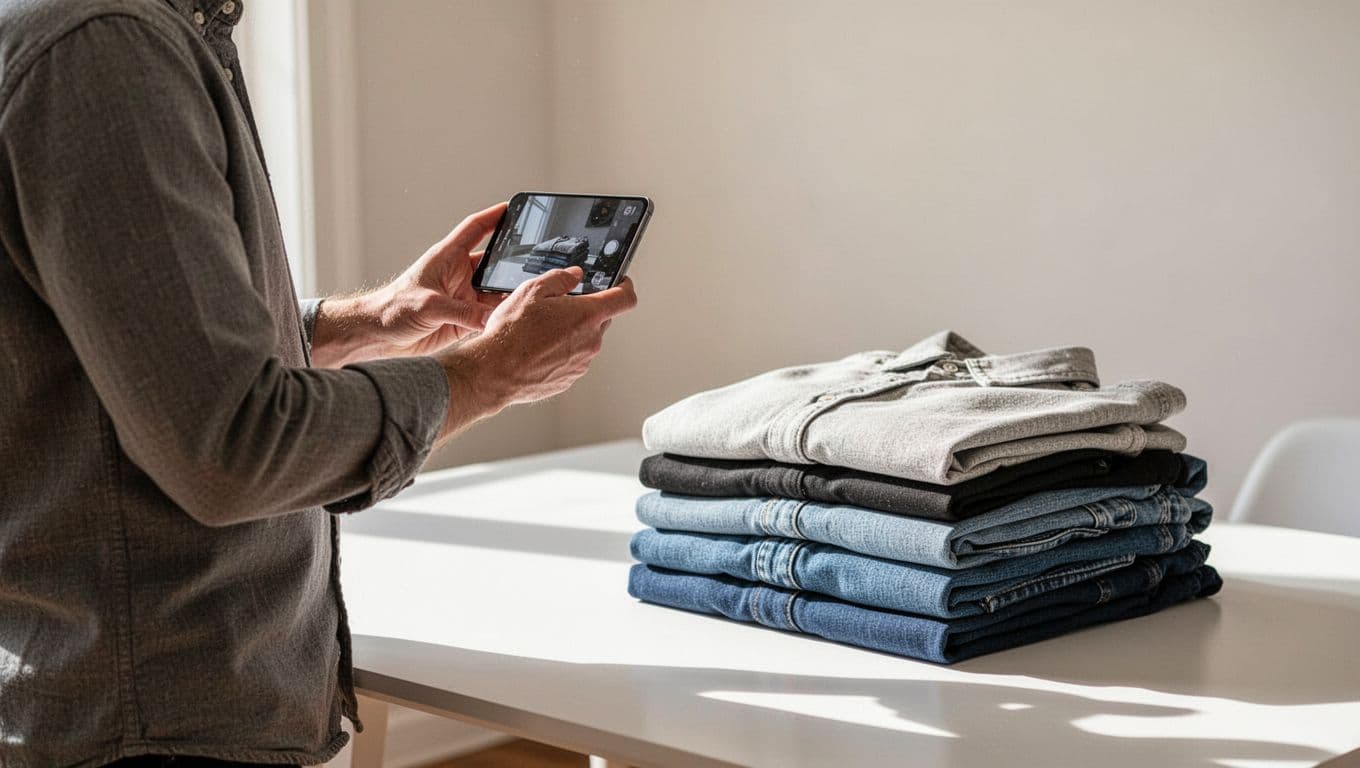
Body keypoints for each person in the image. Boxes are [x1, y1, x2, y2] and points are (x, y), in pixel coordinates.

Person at [0, 0, 638, 764]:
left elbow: (148, 351)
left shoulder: (111, 34)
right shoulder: (105, 49)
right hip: (155, 722)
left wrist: (373, 318)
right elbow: (231, 444)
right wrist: (484, 375)